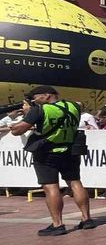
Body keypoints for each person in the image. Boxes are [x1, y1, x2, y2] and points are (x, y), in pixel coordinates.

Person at [7, 86, 95, 235]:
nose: (33, 100)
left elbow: (17, 131)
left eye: (35, 97)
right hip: (70, 150)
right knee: (75, 182)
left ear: (47, 96)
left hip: (46, 153)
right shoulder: (73, 106)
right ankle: (87, 219)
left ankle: (57, 225)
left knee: (51, 187)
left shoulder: (40, 110)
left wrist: (28, 114)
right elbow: (80, 104)